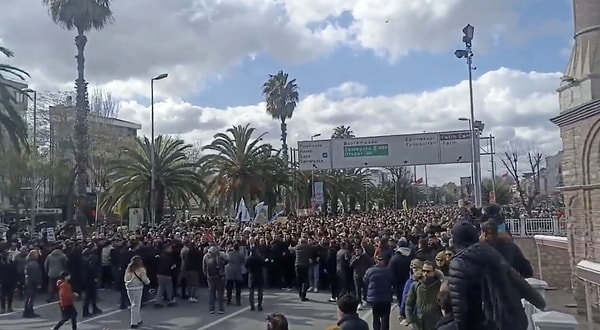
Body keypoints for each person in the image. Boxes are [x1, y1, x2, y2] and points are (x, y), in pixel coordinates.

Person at [447, 221, 546, 330]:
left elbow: (460, 306)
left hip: (484, 323)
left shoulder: (458, 264)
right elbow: (517, 280)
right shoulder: (491, 253)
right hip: (512, 319)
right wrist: (539, 302)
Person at [405, 261, 443, 330]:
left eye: (428, 271)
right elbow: (409, 304)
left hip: (435, 323)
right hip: (419, 324)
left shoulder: (440, 286)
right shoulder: (416, 285)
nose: (425, 274)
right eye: (424, 271)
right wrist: (411, 319)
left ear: (434, 272)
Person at [363, 255, 394, 330]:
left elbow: (365, 281)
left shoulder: (369, 271)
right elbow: (393, 282)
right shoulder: (388, 271)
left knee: (376, 317)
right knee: (385, 318)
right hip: (386, 297)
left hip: (374, 298)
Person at [124, 255, 150, 329]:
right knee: (136, 305)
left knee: (133, 303)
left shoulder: (128, 269)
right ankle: (134, 322)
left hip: (129, 287)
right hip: (137, 287)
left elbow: (125, 278)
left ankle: (138, 319)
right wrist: (148, 282)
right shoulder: (141, 269)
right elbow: (144, 279)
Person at [202, 245, 227, 314]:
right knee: (220, 293)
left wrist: (206, 275)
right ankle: (221, 309)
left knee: (211, 293)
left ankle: (211, 309)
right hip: (219, 276)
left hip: (210, 277)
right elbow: (227, 259)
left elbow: (204, 267)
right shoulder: (219, 255)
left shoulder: (206, 256)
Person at [245, 246, 265, 311]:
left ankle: (252, 306)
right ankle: (259, 305)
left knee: (251, 292)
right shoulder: (259, 258)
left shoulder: (249, 258)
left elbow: (246, 266)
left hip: (251, 275)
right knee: (260, 291)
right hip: (259, 275)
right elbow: (263, 264)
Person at [23, 249, 42, 318]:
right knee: (31, 297)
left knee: (28, 297)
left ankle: (27, 311)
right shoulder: (34, 264)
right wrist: (38, 283)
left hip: (28, 282)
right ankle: (29, 311)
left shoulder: (28, 262)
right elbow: (35, 275)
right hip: (32, 283)